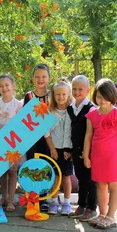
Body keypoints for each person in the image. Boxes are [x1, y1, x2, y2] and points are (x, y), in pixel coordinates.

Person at [83, 78, 117, 229]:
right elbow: (88, 136)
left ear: (112, 96)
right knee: (100, 186)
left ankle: (111, 216)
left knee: (113, 185)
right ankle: (102, 214)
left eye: (104, 97)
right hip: (97, 157)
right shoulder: (92, 114)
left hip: (113, 157)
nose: (101, 100)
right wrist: (86, 155)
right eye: (98, 97)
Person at [0, 74, 23, 212]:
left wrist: (11, 143)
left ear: (13, 86)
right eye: (1, 86)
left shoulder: (18, 104)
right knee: (2, 171)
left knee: (13, 171)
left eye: (7, 85)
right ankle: (3, 197)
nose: (4, 88)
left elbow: (19, 125)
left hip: (13, 143)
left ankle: (11, 200)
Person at [67, 75, 97, 221]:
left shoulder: (91, 109)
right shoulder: (71, 108)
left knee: (90, 180)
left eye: (80, 89)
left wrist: (87, 152)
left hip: (88, 152)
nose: (77, 92)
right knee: (81, 179)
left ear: (87, 90)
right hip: (76, 150)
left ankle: (92, 207)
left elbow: (92, 134)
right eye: (74, 89)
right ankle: (82, 205)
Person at [23, 64, 51, 211]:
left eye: (43, 77)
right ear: (33, 78)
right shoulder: (28, 96)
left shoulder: (52, 95)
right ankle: (32, 198)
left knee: (45, 168)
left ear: (49, 78)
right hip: (31, 140)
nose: (40, 79)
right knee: (32, 167)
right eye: (37, 77)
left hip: (48, 140)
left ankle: (44, 198)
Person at [44, 79, 74, 216]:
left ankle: (67, 202)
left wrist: (71, 150)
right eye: (58, 94)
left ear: (68, 94)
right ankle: (54, 201)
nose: (61, 97)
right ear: (53, 96)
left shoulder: (72, 111)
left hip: (67, 150)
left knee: (67, 177)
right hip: (55, 149)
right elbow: (47, 133)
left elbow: (75, 131)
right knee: (55, 176)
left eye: (64, 94)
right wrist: (52, 149)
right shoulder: (51, 112)